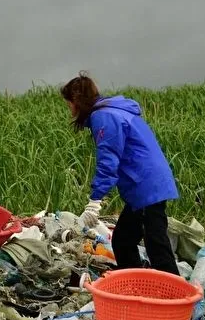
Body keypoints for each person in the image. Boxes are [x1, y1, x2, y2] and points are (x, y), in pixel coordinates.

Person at [60, 72, 180, 275]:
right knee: (123, 239)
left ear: (77, 101)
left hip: (145, 185)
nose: (70, 109)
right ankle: (135, 285)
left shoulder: (104, 116)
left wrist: (95, 202)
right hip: (144, 184)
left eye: (69, 103)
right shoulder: (112, 111)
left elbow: (108, 160)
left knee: (156, 245)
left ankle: (175, 297)